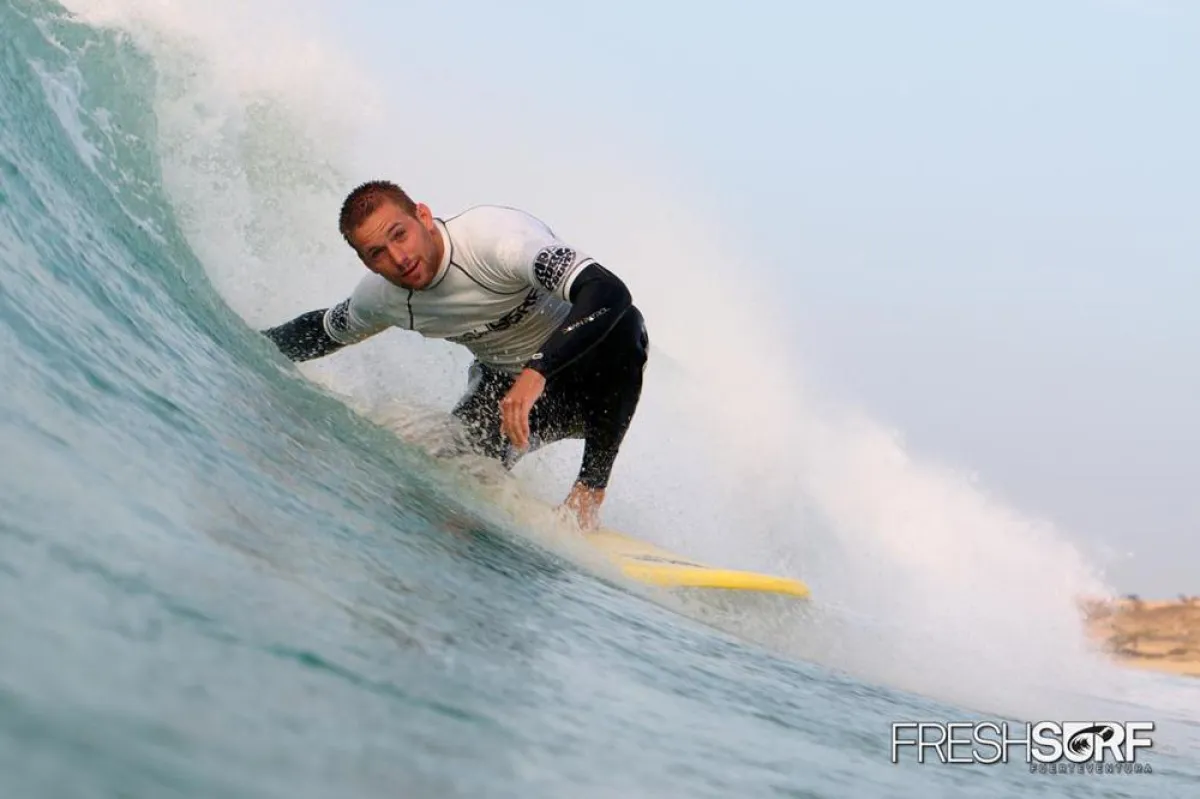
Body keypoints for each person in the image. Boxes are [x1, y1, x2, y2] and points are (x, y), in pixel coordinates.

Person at [261, 180, 649, 530]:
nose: (399, 258)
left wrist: (538, 369)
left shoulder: (495, 240)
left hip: (591, 380)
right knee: (454, 480)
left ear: (424, 217)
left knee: (625, 327)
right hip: (509, 397)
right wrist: (250, 343)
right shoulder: (383, 297)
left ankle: (589, 491)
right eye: (378, 253)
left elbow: (608, 292)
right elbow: (323, 330)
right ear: (367, 263)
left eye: (401, 235)